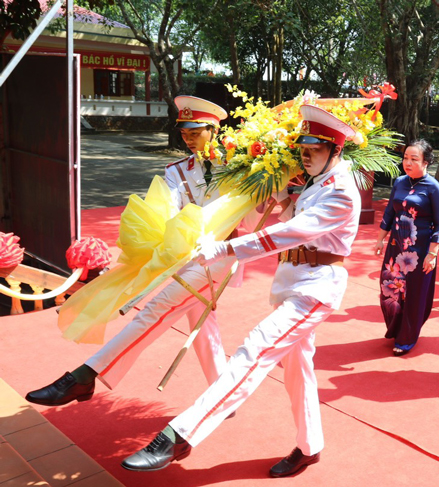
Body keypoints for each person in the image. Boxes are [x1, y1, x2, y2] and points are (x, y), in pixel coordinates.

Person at [119, 105, 362, 477]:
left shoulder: (342, 190)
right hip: (292, 281)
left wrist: (226, 248)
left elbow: (289, 234)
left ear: (336, 150)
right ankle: (310, 446)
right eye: (303, 145)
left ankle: (179, 435)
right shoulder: (316, 182)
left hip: (317, 288)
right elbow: (286, 218)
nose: (307, 153)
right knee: (297, 367)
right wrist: (279, 196)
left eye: (317, 147)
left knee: (255, 348)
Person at [26, 96, 243, 406]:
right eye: (184, 132)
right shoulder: (177, 171)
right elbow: (165, 211)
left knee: (156, 310)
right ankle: (224, 395)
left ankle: (84, 375)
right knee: (201, 319)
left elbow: (249, 213)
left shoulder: (241, 166)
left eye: (196, 131)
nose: (189, 138)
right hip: (182, 254)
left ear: (214, 129)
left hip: (221, 254)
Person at [375, 140, 439, 356]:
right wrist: (380, 239)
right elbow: (389, 213)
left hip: (420, 251)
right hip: (395, 248)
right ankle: (396, 327)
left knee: (414, 294)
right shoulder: (399, 182)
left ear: (426, 162)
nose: (408, 162)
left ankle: (407, 337)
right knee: (390, 288)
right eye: (406, 157)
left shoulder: (434, 188)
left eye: (414, 159)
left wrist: (432, 254)